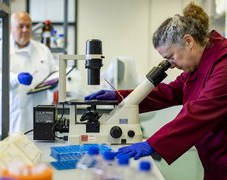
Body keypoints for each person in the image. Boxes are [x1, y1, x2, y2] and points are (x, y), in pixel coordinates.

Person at [85, 2, 227, 179]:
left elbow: (199, 111)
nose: (172, 65)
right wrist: (120, 96)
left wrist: (153, 144)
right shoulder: (200, 62)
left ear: (188, 41)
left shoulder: (223, 63)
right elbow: (169, 92)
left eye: (171, 57)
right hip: (214, 162)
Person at [0, 11, 57, 134]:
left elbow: (55, 72)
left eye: (28, 26)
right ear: (10, 28)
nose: (25, 30)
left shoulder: (43, 50)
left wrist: (55, 82)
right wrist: (16, 79)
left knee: (44, 148)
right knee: (11, 150)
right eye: (20, 26)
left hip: (42, 115)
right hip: (12, 116)